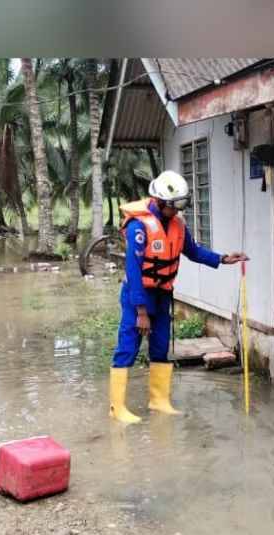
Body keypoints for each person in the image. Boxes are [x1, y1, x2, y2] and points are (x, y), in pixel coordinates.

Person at [109, 170, 248, 423]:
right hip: (138, 295)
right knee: (128, 347)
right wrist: (140, 311)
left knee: (161, 347)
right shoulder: (138, 227)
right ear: (161, 202)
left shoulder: (177, 226)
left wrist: (223, 259)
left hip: (163, 295)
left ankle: (159, 401)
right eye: (176, 205)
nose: (179, 210)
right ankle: (117, 408)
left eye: (183, 204)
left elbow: (194, 252)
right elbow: (133, 269)